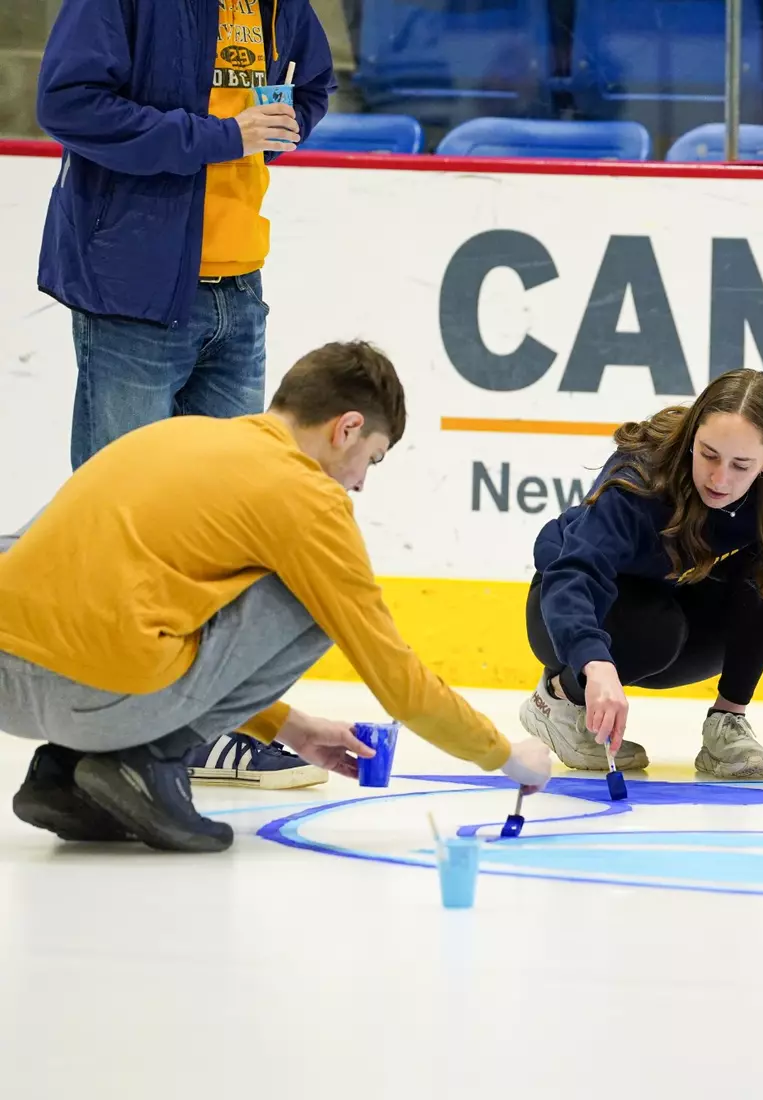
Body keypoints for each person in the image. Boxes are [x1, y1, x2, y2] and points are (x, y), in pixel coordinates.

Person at [0, 342, 553, 853]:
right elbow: (399, 684)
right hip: (91, 697)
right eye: (373, 458)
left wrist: (289, 726)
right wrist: (505, 756)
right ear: (348, 427)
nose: (360, 482)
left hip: (10, 684)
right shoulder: (307, 497)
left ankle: (61, 773)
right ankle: (145, 760)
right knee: (318, 601)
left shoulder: (181, 437)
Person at [35, 0, 335, 790]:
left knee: (226, 533)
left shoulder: (278, 3)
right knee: (121, 529)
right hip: (133, 293)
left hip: (238, 288)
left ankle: (200, 734)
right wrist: (220, 137)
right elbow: (68, 103)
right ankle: (90, 743)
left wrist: (283, 119)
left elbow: (312, 84)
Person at [520, 369, 763, 779]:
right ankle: (558, 699)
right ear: (693, 435)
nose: (719, 478)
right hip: (564, 608)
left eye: (740, 465)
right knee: (657, 630)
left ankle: (727, 722)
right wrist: (592, 662)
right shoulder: (645, 470)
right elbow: (574, 571)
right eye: (709, 454)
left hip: (669, 603)